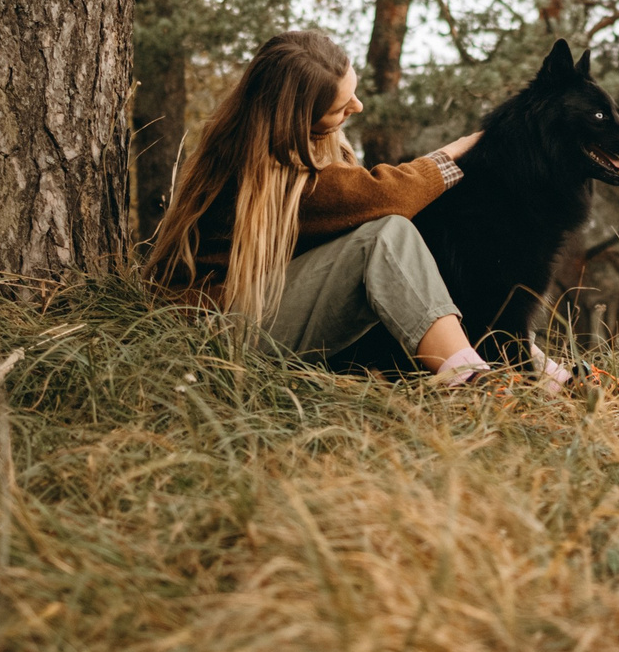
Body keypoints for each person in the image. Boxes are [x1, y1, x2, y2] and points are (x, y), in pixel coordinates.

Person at [143, 29, 500, 386]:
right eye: (340, 107)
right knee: (385, 236)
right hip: (216, 338)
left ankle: (495, 363)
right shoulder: (265, 174)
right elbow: (385, 195)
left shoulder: (262, 144)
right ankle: (468, 379)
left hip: (236, 321)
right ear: (298, 119)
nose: (357, 106)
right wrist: (456, 152)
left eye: (353, 91)